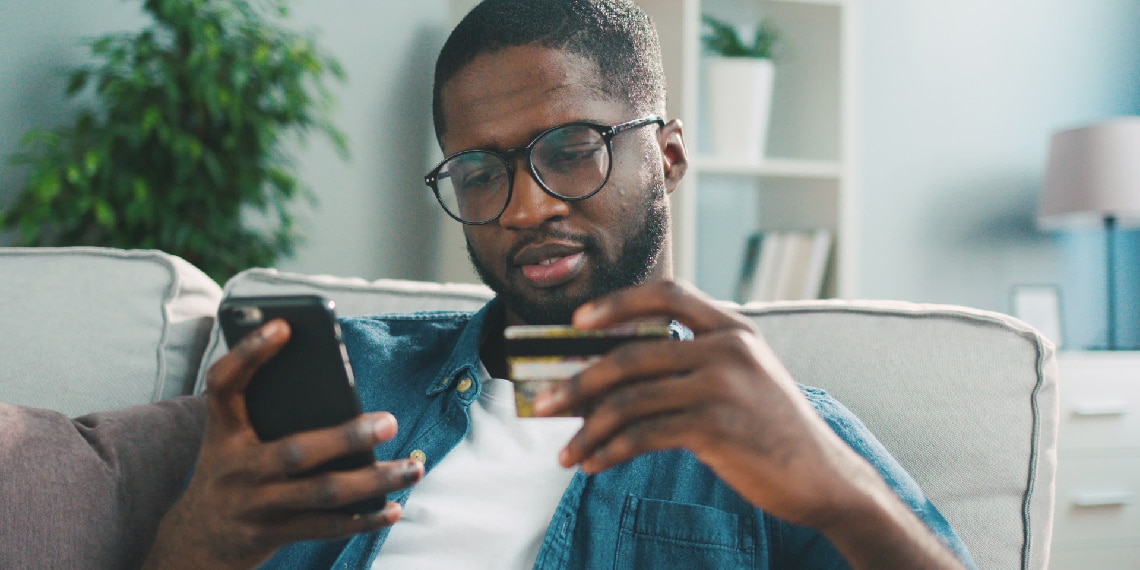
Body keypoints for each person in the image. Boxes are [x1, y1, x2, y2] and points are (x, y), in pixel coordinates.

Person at [145, 1, 975, 568]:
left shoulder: (778, 428)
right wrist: (198, 539)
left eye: (573, 147)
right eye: (479, 171)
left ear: (670, 157)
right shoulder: (355, 379)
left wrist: (841, 497)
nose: (527, 205)